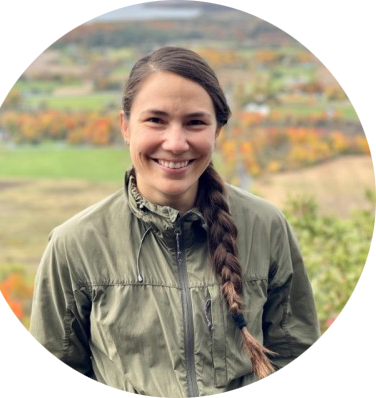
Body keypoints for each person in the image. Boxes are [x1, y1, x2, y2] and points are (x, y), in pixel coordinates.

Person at [29, 47, 320, 396]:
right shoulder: (74, 244)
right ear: (125, 126)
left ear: (218, 131)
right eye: (156, 120)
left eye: (195, 122)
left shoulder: (266, 226)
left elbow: (293, 350)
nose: (176, 143)